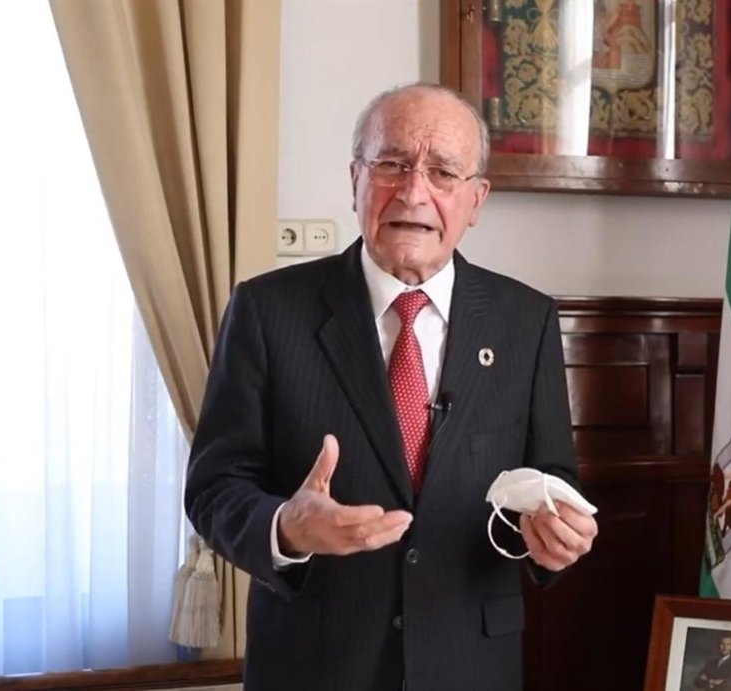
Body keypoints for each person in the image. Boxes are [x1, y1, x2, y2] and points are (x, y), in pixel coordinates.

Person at [184, 83, 599, 691]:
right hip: (314, 665)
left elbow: (551, 479)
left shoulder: (526, 320)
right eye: (392, 164)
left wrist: (554, 537)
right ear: (355, 179)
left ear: (476, 199)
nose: (413, 191)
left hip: (469, 665)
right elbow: (214, 489)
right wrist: (286, 527)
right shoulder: (267, 311)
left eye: (443, 172)